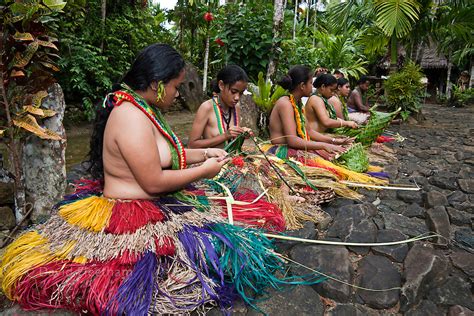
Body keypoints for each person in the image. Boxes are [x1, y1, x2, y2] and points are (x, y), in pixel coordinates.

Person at [0, 44, 308, 314]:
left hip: (149, 200)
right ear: (157, 84)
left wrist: (206, 154)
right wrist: (206, 171)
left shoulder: (143, 108)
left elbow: (168, 154)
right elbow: (153, 183)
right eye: (175, 87)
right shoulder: (130, 116)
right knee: (221, 255)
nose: (176, 95)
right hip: (129, 211)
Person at [268, 65, 345, 157]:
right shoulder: (285, 104)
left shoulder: (298, 103)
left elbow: (309, 131)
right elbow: (292, 140)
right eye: (310, 83)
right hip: (280, 148)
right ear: (302, 86)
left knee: (335, 154)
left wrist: (334, 141)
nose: (312, 87)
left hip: (294, 146)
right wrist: (323, 145)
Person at [188, 65, 251, 149]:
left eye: (241, 93)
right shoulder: (207, 107)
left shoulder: (236, 107)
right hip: (212, 160)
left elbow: (234, 142)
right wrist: (224, 136)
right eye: (233, 91)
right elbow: (192, 145)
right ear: (221, 85)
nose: (237, 98)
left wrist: (243, 134)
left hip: (232, 159)